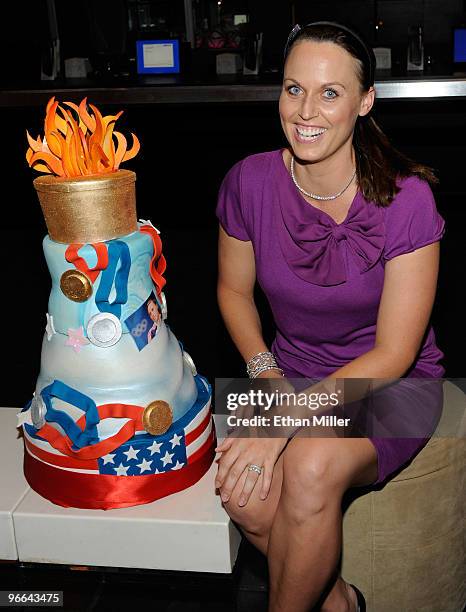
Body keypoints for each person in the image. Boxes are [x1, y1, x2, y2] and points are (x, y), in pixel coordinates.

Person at [214, 21, 446, 612]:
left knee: (312, 463)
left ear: (365, 101)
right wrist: (267, 379)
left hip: (392, 382)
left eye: (330, 92)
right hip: (285, 370)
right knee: (242, 492)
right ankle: (339, 600)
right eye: (293, 89)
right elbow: (233, 294)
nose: (306, 110)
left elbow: (394, 354)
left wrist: (285, 420)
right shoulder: (249, 181)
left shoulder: (408, 198)